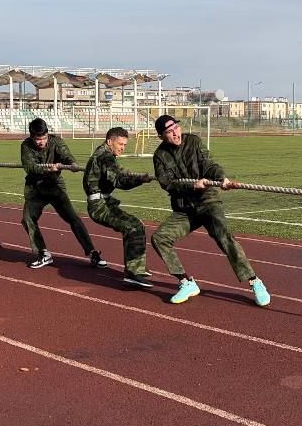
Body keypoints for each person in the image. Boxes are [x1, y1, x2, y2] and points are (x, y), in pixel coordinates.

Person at [149, 114, 270, 306]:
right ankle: (186, 282)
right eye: (169, 131)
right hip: (185, 209)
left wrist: (222, 178)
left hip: (208, 201)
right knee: (159, 238)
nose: (175, 133)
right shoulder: (160, 156)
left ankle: (255, 281)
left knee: (224, 237)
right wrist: (192, 186)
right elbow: (167, 183)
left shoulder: (193, 141)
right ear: (161, 136)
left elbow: (209, 164)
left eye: (176, 128)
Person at [20, 117, 105, 269]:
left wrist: (71, 164)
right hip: (35, 187)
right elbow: (30, 167)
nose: (41, 142)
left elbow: (66, 155)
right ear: (32, 136)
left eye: (44, 138)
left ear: (48, 134)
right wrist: (48, 168)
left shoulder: (56, 141)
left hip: (54, 185)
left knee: (73, 218)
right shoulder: (26, 146)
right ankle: (43, 254)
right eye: (38, 139)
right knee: (27, 219)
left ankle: (92, 253)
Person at [84, 127, 154, 288]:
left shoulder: (104, 154)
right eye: (120, 144)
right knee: (132, 227)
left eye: (125, 145)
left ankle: (138, 266)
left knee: (137, 224)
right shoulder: (105, 157)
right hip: (99, 205)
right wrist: (140, 181)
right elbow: (119, 181)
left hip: (105, 202)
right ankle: (132, 273)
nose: (123, 148)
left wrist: (139, 176)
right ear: (109, 142)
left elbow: (120, 172)